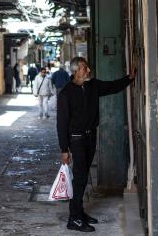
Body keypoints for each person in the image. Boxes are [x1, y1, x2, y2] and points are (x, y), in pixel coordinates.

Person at [56, 57, 135, 232]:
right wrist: (64, 149)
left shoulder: (92, 85)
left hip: (90, 137)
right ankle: (74, 218)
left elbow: (111, 86)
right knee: (80, 177)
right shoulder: (66, 93)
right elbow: (61, 123)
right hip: (76, 139)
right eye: (85, 68)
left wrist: (129, 78)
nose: (89, 70)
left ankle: (80, 212)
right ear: (76, 71)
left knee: (83, 176)